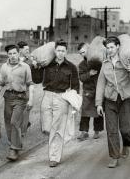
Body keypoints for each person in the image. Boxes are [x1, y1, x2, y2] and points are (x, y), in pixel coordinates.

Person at [34, 39, 79, 167]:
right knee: (47, 128)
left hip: (61, 97)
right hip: (47, 95)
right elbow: (37, 80)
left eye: (62, 51)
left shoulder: (71, 67)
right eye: (58, 50)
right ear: (55, 51)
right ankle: (58, 139)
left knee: (57, 128)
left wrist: (74, 103)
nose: (60, 53)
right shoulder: (47, 64)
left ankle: (54, 157)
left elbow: (75, 86)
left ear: (66, 52)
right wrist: (35, 67)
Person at [95, 36, 130, 168]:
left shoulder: (125, 61)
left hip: (125, 99)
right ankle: (114, 156)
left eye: (112, 47)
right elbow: (101, 84)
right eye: (107, 48)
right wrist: (98, 104)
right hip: (110, 100)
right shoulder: (105, 64)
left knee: (125, 128)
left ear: (118, 46)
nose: (110, 50)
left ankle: (126, 144)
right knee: (111, 129)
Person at [0, 44, 34, 161]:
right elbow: (0, 83)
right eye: (10, 54)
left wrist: (31, 99)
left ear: (18, 53)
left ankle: (13, 149)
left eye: (14, 53)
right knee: (8, 123)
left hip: (21, 98)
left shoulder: (25, 67)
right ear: (7, 55)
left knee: (15, 122)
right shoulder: (4, 67)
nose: (13, 56)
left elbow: (30, 85)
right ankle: (15, 144)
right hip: (8, 97)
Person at [77, 42, 104, 141]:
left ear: (89, 49)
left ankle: (97, 131)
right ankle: (84, 132)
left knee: (98, 110)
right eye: (80, 53)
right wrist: (89, 74)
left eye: (83, 52)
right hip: (88, 91)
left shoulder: (99, 61)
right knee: (85, 112)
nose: (82, 54)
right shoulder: (82, 65)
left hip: (98, 90)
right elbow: (81, 78)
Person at [17, 41, 32, 137]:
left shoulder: (30, 60)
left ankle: (22, 132)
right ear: (20, 50)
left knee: (26, 109)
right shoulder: (14, 58)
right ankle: (25, 124)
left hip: (26, 88)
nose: (28, 51)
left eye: (28, 50)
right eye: (26, 50)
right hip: (15, 88)